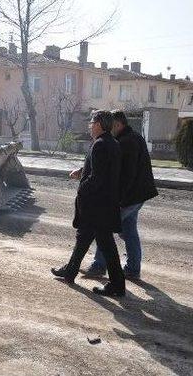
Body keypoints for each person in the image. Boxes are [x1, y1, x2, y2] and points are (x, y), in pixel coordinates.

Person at [52, 110, 126, 297]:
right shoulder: (112, 143)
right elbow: (102, 170)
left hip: (97, 205)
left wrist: (82, 188)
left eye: (92, 122)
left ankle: (117, 285)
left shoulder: (100, 144)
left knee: (106, 245)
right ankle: (70, 272)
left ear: (99, 124)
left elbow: (97, 177)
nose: (89, 125)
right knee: (84, 237)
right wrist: (82, 170)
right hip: (105, 203)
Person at [81, 110, 158, 279]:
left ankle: (99, 266)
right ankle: (132, 269)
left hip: (129, 197)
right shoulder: (133, 137)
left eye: (110, 125)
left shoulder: (125, 142)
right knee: (129, 231)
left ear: (117, 124)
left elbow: (126, 174)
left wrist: (119, 200)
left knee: (104, 227)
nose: (108, 129)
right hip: (138, 196)